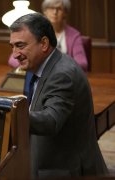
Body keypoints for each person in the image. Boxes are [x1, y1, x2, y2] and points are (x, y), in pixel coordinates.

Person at [9, 13, 108, 178]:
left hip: (66, 172)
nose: (14, 54)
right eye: (12, 46)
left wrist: (9, 110)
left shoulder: (62, 74)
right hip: (45, 162)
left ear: (44, 43)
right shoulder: (41, 66)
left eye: (20, 45)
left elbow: (50, 121)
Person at [8, 0, 88, 72]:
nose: (55, 12)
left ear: (65, 12)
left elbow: (82, 64)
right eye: (51, 8)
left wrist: (54, 69)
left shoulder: (74, 35)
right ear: (45, 11)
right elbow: (12, 59)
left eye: (59, 9)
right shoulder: (35, 32)